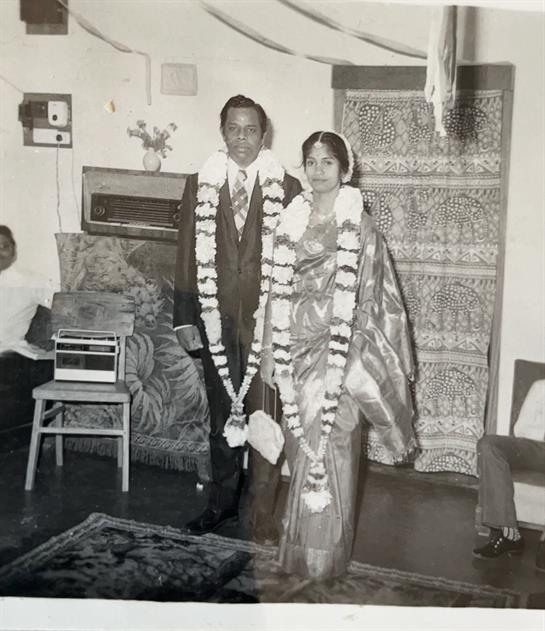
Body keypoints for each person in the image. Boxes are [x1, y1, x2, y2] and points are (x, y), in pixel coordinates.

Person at [260, 131, 417, 579]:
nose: (318, 170)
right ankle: (298, 551)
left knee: (335, 448)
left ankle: (325, 557)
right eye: (311, 162)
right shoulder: (290, 221)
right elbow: (274, 292)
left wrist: (352, 353)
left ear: (345, 170)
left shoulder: (361, 228)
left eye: (328, 162)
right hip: (294, 349)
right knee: (300, 448)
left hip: (339, 352)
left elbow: (375, 298)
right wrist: (269, 348)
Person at [173, 95, 302, 543]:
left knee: (265, 421)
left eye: (250, 129)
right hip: (217, 321)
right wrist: (184, 318)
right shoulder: (199, 184)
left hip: (268, 329)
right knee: (220, 419)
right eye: (234, 128)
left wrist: (285, 327)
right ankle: (221, 505)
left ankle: (263, 516)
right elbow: (186, 253)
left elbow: (296, 265)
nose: (241, 138)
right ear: (222, 132)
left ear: (264, 135)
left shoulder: (287, 188)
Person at [473, 378, 545, 572]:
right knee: (488, 445)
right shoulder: (540, 387)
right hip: (535, 448)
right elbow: (521, 429)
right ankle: (508, 534)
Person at [0, 225, 56, 430]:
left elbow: (66, 308)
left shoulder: (31, 281)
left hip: (10, 354)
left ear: (14, 250)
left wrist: (54, 339)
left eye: (4, 246)